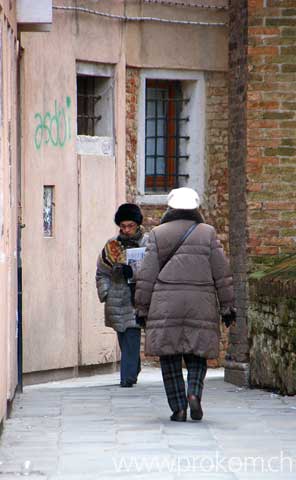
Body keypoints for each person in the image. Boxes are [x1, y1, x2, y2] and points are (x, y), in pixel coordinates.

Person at [135, 187, 236, 421]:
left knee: (169, 355)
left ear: (170, 207)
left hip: (165, 303)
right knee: (197, 352)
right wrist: (228, 305)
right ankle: (194, 394)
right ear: (195, 207)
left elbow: (147, 274)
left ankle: (179, 407)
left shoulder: (157, 234)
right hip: (200, 302)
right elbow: (222, 273)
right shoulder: (208, 233)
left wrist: (141, 307)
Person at [96, 203, 148, 387]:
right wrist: (106, 292)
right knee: (124, 336)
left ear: (137, 224)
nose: (126, 230)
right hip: (117, 297)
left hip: (138, 297)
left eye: (130, 226)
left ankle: (127, 377)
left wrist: (132, 272)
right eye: (123, 226)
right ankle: (133, 368)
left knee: (131, 334)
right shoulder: (111, 245)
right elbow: (101, 272)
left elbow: (153, 269)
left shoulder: (147, 243)